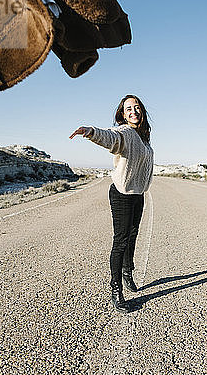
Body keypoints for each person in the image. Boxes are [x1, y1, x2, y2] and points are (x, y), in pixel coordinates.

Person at [69, 95, 154, 313]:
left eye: (136, 108)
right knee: (121, 241)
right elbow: (111, 137)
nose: (133, 111)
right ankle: (116, 289)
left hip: (137, 193)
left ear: (142, 111)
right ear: (123, 114)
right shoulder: (125, 132)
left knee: (133, 235)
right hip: (122, 194)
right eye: (128, 109)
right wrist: (91, 132)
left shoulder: (143, 137)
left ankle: (128, 273)